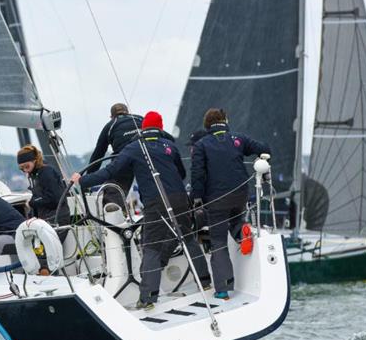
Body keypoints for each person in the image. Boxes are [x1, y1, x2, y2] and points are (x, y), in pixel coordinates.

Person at [72, 111, 211, 310]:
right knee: (187, 238)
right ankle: (205, 282)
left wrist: (83, 181)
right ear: (160, 127)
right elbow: (181, 173)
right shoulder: (169, 146)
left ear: (143, 127)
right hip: (179, 198)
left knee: (152, 247)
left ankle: (147, 299)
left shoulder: (133, 148)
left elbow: (110, 171)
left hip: (155, 201)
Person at [189, 108, 271, 300]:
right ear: (224, 121)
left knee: (218, 242)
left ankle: (223, 289)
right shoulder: (238, 138)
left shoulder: (202, 144)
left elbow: (197, 174)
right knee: (235, 221)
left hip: (216, 199)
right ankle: (242, 232)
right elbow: (264, 148)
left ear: (207, 124)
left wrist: (197, 198)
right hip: (240, 195)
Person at [86, 103, 144, 205]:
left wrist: (88, 178)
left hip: (123, 160)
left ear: (111, 116)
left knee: (114, 191)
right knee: (152, 186)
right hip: (144, 156)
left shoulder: (110, 125)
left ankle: (112, 209)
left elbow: (99, 153)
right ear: (128, 112)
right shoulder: (140, 119)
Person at [17, 144, 70, 240]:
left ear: (34, 160)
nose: (25, 170)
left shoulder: (46, 172)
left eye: (26, 166)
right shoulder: (34, 175)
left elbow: (54, 198)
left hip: (57, 217)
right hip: (46, 218)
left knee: (46, 252)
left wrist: (32, 202)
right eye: (21, 168)